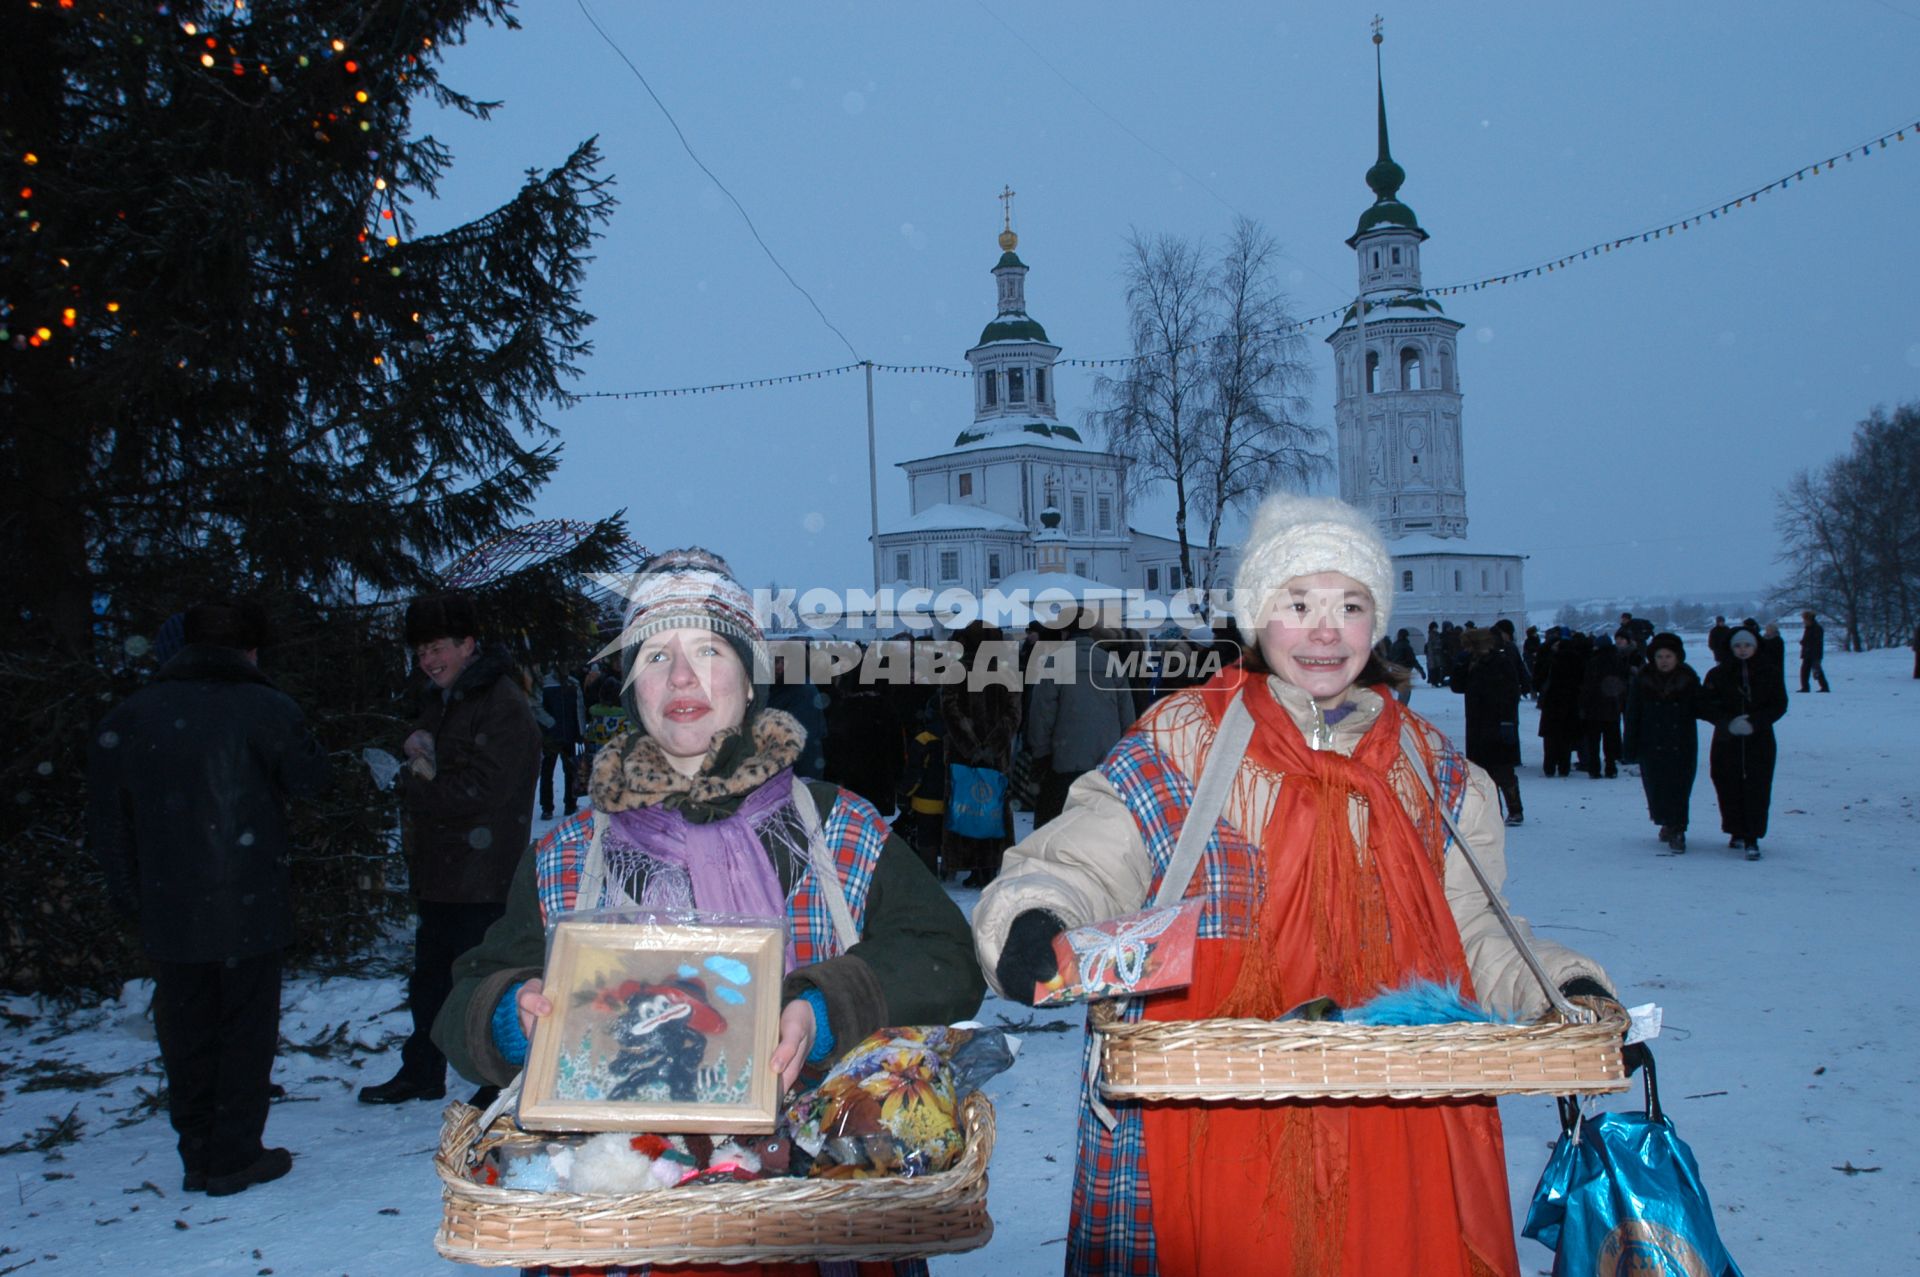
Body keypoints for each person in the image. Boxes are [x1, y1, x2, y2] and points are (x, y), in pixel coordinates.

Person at [974, 493, 1619, 1277]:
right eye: (1299, 601)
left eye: (1350, 604)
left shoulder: (1432, 770)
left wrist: (1561, 985)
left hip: (1395, 1118)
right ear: (1256, 616)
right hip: (1215, 1112)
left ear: (1375, 622)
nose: (1325, 629)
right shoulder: (1186, 741)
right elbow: (1080, 859)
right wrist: (1035, 920)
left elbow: (1473, 931)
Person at [434, 549, 983, 1277]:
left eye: (709, 649)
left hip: (820, 1219)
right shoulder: (571, 855)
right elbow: (466, 995)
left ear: (748, 674)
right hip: (620, 1226)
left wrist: (820, 1009)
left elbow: (945, 958)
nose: (683, 678)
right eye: (656, 655)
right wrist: (516, 1015)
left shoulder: (836, 829)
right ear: (631, 686)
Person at [87, 598, 330, 1196]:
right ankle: (235, 1154)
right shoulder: (267, 708)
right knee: (244, 1029)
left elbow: (106, 819)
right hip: (247, 900)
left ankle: (197, 1150)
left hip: (169, 904)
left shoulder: (132, 715)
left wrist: (129, 892)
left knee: (186, 1029)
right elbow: (313, 781)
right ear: (249, 650)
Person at [361, 593, 542, 1106]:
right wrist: (415, 743)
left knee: (482, 981)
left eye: (438, 647)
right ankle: (421, 1069)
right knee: (429, 983)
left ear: (468, 644)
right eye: (421, 652)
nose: (429, 661)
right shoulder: (446, 697)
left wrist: (412, 782)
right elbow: (442, 755)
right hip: (442, 871)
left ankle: (496, 1084)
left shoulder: (500, 702)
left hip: (483, 874)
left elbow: (486, 789)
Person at [1026, 612, 1138, 829]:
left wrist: (1040, 753)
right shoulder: (1110, 662)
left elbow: (1042, 715)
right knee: (1100, 828)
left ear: (1064, 631)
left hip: (1065, 761)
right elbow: (1127, 717)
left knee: (1066, 826)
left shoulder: (1055, 663)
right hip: (1106, 762)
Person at [940, 620, 1022, 886]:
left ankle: (973, 864)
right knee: (994, 806)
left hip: (965, 756)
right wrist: (993, 746)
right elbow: (1013, 714)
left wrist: (971, 746)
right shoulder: (1005, 670)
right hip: (995, 758)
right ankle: (991, 863)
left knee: (967, 806)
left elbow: (950, 711)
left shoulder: (957, 670)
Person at [1700, 628, 1788, 859]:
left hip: (1759, 738)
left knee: (1757, 785)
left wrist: (1755, 722)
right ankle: (1735, 829)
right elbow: (1705, 704)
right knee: (1726, 783)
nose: (1742, 650)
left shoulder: (1769, 672)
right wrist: (1726, 722)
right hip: (1726, 739)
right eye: (1738, 646)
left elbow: (1779, 704)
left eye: (1747, 646)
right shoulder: (1717, 674)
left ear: (1755, 647)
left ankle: (1753, 835)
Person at [1623, 632, 1702, 852]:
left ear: (1677, 657)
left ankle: (1678, 828)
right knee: (1657, 788)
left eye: (1668, 656)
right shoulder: (1643, 679)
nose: (1664, 661)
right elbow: (1633, 714)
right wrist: (1629, 746)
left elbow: (1703, 706)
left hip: (1681, 743)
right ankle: (1666, 822)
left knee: (1679, 787)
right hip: (1651, 743)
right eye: (1660, 656)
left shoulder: (1688, 679)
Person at [1452, 626, 1526, 825]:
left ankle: (1515, 809)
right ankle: (1493, 812)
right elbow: (1457, 686)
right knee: (1480, 770)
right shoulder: (1471, 663)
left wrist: (1508, 722)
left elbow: (1511, 693)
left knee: (1503, 769)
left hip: (1498, 721)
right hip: (1477, 723)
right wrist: (1461, 663)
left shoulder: (1501, 663)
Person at [1577, 630, 1635, 778]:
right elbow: (1624, 683)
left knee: (1593, 741)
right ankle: (1611, 768)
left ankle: (1594, 769)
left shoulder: (1592, 662)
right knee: (1611, 741)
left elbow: (1587, 686)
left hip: (1594, 708)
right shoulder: (1618, 661)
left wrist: (1583, 705)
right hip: (1612, 707)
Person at [538, 664, 587, 821]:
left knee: (570, 770)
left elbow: (580, 708)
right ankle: (547, 808)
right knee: (548, 771)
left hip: (569, 734)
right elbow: (537, 706)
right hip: (551, 736)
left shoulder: (573, 683)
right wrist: (550, 723)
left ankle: (570, 804)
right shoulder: (545, 683)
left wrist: (581, 732)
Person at [1387, 626, 1424, 703]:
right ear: (1406, 636)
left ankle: (1399, 708)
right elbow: (1413, 660)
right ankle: (1401, 709)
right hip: (1404, 671)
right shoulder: (1406, 646)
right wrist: (1421, 670)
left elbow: (1389, 658)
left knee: (1401, 690)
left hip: (1395, 671)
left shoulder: (1394, 645)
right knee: (1405, 692)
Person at [1798, 610, 1830, 693]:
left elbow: (1814, 641)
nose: (1803, 621)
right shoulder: (1809, 628)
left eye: (1805, 620)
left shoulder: (1817, 628)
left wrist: (1804, 642)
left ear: (1809, 619)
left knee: (1817, 670)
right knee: (1805, 671)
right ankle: (1805, 687)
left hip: (1814, 654)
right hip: (1808, 654)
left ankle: (1824, 687)